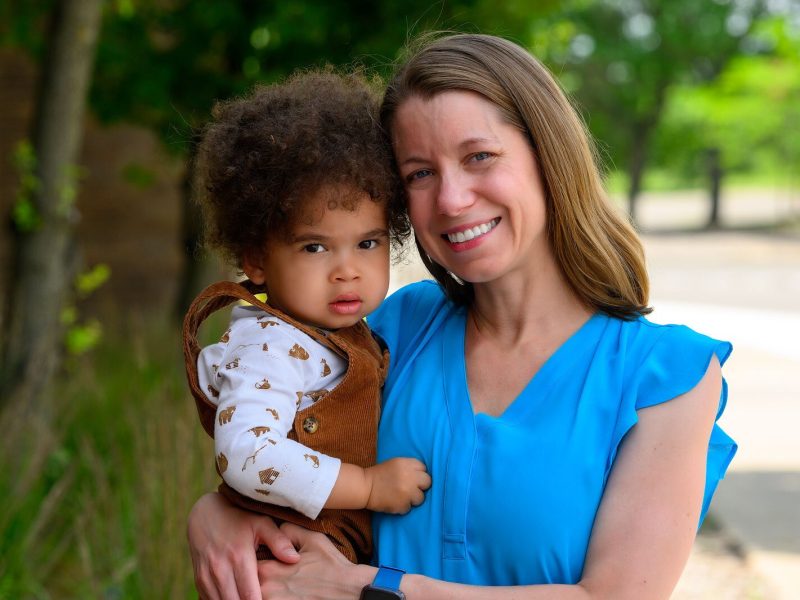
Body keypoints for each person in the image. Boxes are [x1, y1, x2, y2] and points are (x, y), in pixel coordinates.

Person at [186, 34, 737, 599]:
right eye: (419, 174)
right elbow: (272, 451)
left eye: (479, 157)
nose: (451, 199)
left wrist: (363, 589)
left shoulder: (667, 376)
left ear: (549, 157)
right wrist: (216, 514)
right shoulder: (387, 331)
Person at [182, 69, 431, 567]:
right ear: (256, 260)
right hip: (287, 560)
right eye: (315, 247)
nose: (347, 271)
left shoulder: (346, 332)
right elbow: (245, 455)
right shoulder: (267, 345)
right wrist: (367, 486)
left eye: (368, 243)